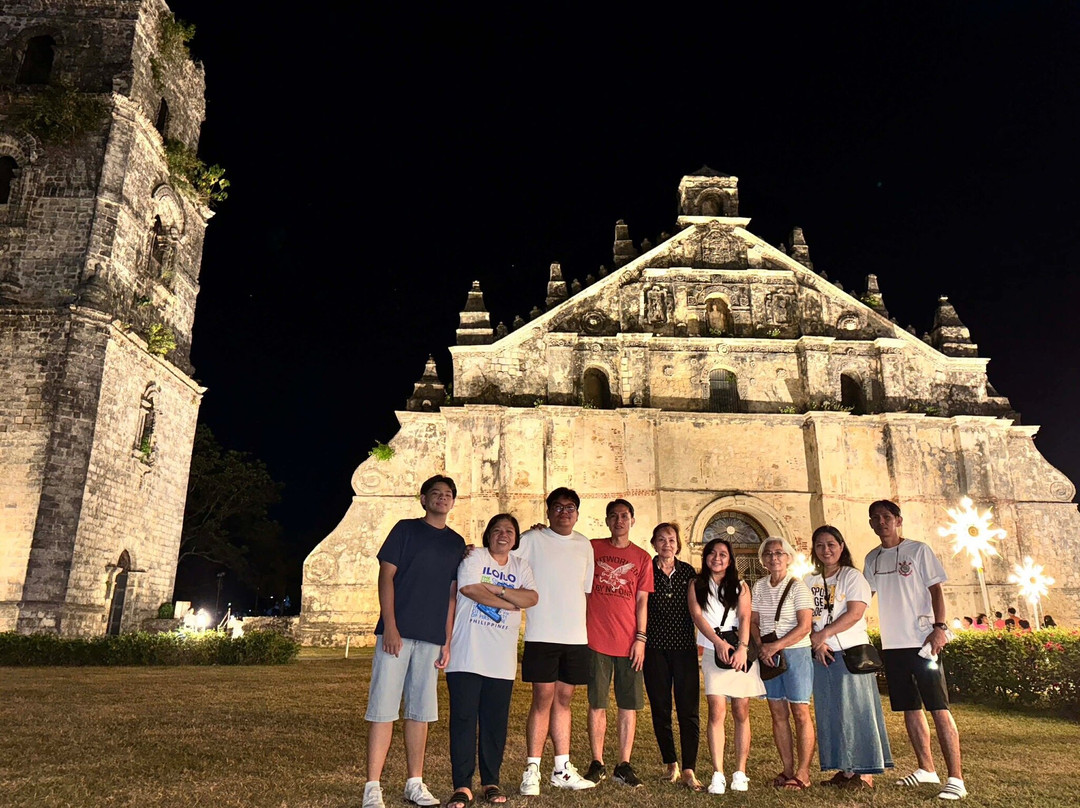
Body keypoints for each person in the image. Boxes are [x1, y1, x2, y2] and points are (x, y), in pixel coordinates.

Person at [363, 475, 466, 808]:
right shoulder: (405, 530)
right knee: (383, 709)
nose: (441, 498)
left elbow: (452, 596)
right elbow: (386, 576)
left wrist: (447, 642)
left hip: (432, 638)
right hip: (397, 635)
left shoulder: (456, 543)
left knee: (420, 713)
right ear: (423, 499)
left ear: (452, 501)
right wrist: (390, 626)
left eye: (447, 494)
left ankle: (414, 782)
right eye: (435, 493)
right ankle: (373, 786)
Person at [865, 499, 968, 801]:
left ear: (898, 520)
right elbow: (864, 597)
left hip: (923, 641)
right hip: (893, 644)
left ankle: (956, 778)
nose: (881, 522)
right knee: (910, 708)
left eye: (886, 516)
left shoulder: (918, 550)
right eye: (875, 518)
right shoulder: (872, 559)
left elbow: (936, 589)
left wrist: (939, 628)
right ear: (871, 524)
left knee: (939, 708)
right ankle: (926, 768)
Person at [445, 514, 538, 808]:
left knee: (494, 723)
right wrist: (511, 602)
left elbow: (532, 598)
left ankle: (490, 781)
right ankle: (462, 785)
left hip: (501, 660)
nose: (503, 534)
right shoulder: (474, 556)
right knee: (463, 720)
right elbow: (470, 589)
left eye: (509, 531)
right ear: (488, 535)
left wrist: (497, 590)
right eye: (497, 529)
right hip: (466, 655)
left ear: (516, 538)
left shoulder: (520, 565)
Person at [513, 487, 597, 794]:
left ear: (577, 512)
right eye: (558, 507)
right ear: (548, 512)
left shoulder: (584, 545)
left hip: (575, 637)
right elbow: (503, 556)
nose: (564, 512)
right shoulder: (533, 539)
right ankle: (532, 769)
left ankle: (561, 768)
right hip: (541, 634)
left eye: (570, 507)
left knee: (564, 701)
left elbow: (585, 590)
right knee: (542, 701)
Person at [804, 525, 893, 790]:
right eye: (820, 545)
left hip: (851, 652)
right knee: (832, 711)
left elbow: (855, 612)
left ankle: (865, 773)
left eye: (831, 544)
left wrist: (825, 634)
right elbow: (805, 616)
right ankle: (844, 769)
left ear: (841, 546)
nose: (826, 550)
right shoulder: (810, 580)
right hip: (822, 655)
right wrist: (817, 641)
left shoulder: (853, 577)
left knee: (857, 710)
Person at [582, 499, 654, 788]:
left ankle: (623, 765)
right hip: (595, 638)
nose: (619, 521)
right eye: (614, 516)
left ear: (632, 521)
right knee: (597, 702)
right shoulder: (592, 547)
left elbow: (641, 600)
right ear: (607, 521)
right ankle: (597, 762)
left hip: (629, 642)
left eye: (624, 516)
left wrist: (641, 638)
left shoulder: (642, 557)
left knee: (628, 704)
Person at [688, 537, 765, 795]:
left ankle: (740, 771)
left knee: (741, 710)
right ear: (706, 557)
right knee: (716, 711)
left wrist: (742, 648)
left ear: (730, 559)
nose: (717, 558)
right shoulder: (696, 584)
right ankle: (718, 772)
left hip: (739, 649)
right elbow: (697, 616)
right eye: (712, 553)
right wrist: (718, 643)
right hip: (713, 649)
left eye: (723, 554)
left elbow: (744, 616)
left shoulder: (740, 586)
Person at [642, 523, 704, 792]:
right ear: (654, 543)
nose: (667, 544)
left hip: (684, 650)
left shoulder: (689, 573)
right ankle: (671, 763)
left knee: (689, 710)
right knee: (660, 708)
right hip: (654, 650)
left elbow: (699, 610)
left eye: (671, 539)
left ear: (678, 544)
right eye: (661, 539)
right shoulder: (645, 571)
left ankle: (689, 768)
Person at [751, 536, 815, 791]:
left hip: (795, 653)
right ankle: (787, 768)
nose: (774, 557)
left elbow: (805, 626)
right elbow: (754, 621)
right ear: (763, 559)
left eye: (779, 553)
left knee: (800, 712)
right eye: (769, 553)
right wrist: (762, 647)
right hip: (769, 655)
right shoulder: (759, 587)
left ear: (788, 557)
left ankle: (803, 773)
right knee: (777, 713)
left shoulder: (798, 587)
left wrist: (775, 646)